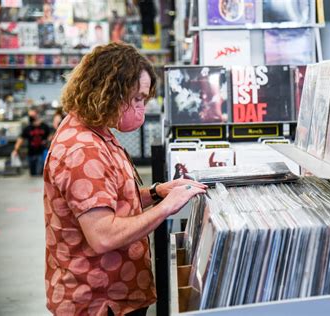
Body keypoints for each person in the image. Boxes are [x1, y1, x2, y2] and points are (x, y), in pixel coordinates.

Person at [43, 42, 207, 315]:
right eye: (138, 98)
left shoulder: (96, 132)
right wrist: (167, 208)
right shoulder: (83, 150)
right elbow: (103, 236)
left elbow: (111, 199)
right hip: (100, 301)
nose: (141, 107)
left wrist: (157, 192)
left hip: (118, 294)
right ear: (111, 91)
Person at [12, 109, 51, 176]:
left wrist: (47, 141)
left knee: (39, 173)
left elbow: (52, 135)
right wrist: (15, 150)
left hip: (41, 153)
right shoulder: (28, 128)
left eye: (33, 115)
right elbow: (21, 139)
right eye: (30, 115)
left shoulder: (44, 126)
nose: (32, 117)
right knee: (32, 174)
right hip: (31, 153)